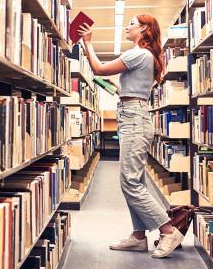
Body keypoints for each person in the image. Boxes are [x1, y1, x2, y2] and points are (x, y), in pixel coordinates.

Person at [78, 14, 184, 258]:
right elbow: (128, 87)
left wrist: (88, 42)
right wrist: (117, 88)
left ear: (144, 29)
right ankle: (139, 236)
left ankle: (168, 230)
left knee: (130, 181)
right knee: (135, 180)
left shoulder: (138, 53)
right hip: (132, 114)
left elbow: (98, 68)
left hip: (134, 119)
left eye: (132, 24)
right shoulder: (144, 56)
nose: (127, 26)